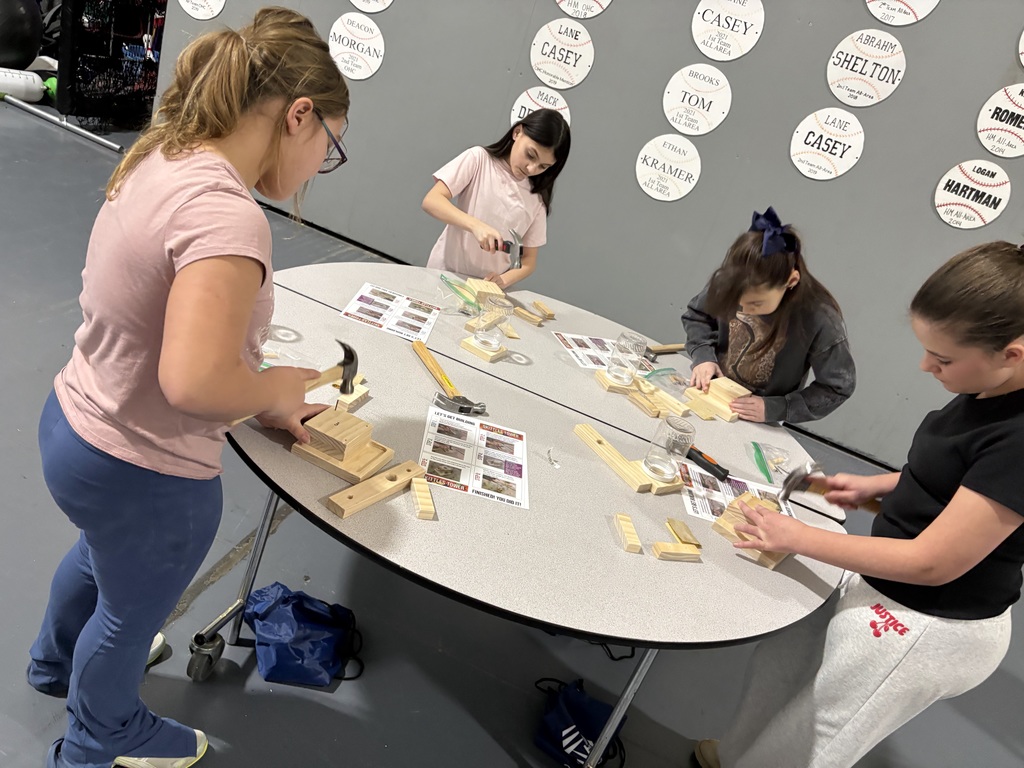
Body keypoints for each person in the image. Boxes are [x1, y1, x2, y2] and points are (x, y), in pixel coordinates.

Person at [27, 8, 349, 768]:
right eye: (329, 147)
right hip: (145, 471)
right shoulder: (227, 215)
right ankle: (96, 736)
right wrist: (270, 387)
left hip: (75, 423)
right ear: (298, 116)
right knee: (130, 612)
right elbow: (195, 380)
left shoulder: (166, 154)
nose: (318, 168)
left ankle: (52, 663)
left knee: (99, 555)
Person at [693, 241, 1024, 768]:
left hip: (929, 619)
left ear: (1012, 355)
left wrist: (798, 537)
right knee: (781, 663)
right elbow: (960, 475)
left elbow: (933, 563)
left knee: (820, 732)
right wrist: (883, 487)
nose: (924, 366)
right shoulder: (991, 385)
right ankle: (735, 756)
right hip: (886, 576)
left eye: (941, 359)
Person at [681, 207, 855, 423]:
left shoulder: (819, 319)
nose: (744, 310)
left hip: (758, 417)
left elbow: (838, 386)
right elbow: (698, 316)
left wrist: (777, 408)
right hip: (711, 392)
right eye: (737, 302)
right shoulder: (729, 283)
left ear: (790, 282)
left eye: (756, 303)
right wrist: (703, 357)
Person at [422, 108, 571, 289]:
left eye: (543, 166)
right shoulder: (479, 160)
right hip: (444, 275)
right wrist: (476, 226)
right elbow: (432, 200)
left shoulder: (537, 200)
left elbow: (529, 261)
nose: (531, 168)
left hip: (484, 292)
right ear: (517, 133)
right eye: (530, 155)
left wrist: (503, 281)